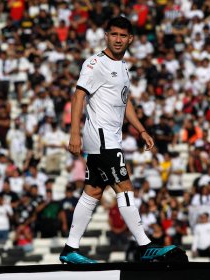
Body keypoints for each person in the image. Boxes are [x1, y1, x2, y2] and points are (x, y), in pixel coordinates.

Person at [59, 17, 187, 264]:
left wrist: (141, 130)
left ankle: (69, 249)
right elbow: (78, 96)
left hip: (109, 137)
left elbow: (124, 103)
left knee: (93, 191)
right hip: (103, 137)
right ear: (106, 36)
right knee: (124, 187)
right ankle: (145, 246)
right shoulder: (95, 63)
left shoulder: (123, 66)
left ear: (130, 39)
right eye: (114, 34)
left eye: (123, 35)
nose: (118, 39)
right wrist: (74, 133)